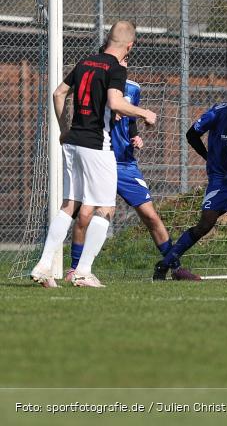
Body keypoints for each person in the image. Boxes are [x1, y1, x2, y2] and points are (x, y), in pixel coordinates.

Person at [31, 20, 157, 288]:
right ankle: (83, 271)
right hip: (96, 145)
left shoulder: (85, 61)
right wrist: (145, 112)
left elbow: (58, 93)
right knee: (106, 208)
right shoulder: (115, 68)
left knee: (69, 205)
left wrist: (64, 129)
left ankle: (44, 266)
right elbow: (114, 102)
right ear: (129, 46)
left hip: (73, 142)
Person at [66, 51, 172, 282]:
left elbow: (131, 119)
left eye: (124, 60)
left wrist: (136, 135)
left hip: (125, 163)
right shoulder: (98, 82)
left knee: (150, 215)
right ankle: (75, 269)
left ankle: (173, 264)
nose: (121, 63)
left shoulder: (133, 88)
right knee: (84, 214)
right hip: (100, 155)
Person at [154, 79, 227, 280]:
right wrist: (208, 158)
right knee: (205, 224)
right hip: (221, 179)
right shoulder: (218, 112)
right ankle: (164, 265)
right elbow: (192, 134)